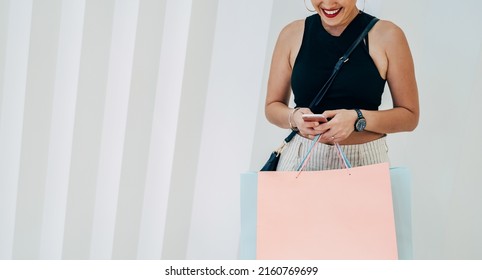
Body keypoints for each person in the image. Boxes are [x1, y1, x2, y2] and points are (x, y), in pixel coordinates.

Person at [265, 0, 419, 171]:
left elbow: (409, 116)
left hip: (363, 162)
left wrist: (358, 118)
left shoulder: (388, 35)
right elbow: (272, 106)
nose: (329, 3)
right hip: (299, 159)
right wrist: (294, 118)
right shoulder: (291, 34)